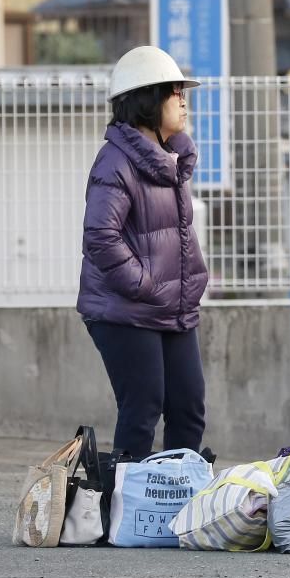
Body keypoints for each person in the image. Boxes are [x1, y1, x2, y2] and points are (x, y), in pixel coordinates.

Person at [77, 46, 209, 459]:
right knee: (142, 409)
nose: (184, 100)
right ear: (147, 100)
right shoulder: (115, 161)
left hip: (172, 306)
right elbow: (101, 235)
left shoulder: (171, 161)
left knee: (188, 409)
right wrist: (144, 284)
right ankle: (125, 512)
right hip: (125, 309)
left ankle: (177, 508)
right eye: (174, 92)